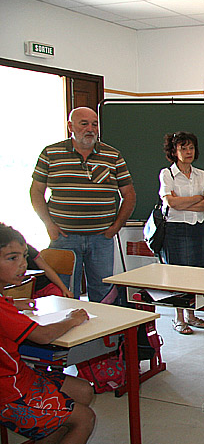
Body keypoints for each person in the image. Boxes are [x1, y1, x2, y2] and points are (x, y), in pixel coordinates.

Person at [0, 224, 96, 444]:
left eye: (23, 256)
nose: (23, 264)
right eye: (12, 258)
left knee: (82, 391)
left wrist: (13, 304)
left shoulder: (3, 302)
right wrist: (71, 319)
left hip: (16, 378)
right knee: (85, 419)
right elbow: (42, 336)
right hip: (10, 394)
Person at [30, 107, 136, 302]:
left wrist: (115, 228)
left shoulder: (112, 155)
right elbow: (36, 192)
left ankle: (103, 333)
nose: (90, 129)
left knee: (103, 292)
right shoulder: (51, 153)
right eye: (84, 123)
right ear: (70, 126)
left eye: (94, 124)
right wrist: (49, 225)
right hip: (64, 238)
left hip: (101, 239)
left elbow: (129, 194)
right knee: (64, 292)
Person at [159, 132, 204, 335]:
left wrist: (186, 203)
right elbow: (171, 203)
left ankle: (192, 315)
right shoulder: (167, 174)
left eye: (191, 147)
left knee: (198, 273)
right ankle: (179, 318)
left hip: (199, 227)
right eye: (183, 148)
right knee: (179, 275)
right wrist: (197, 199)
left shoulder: (202, 174)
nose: (188, 152)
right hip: (176, 229)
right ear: (174, 151)